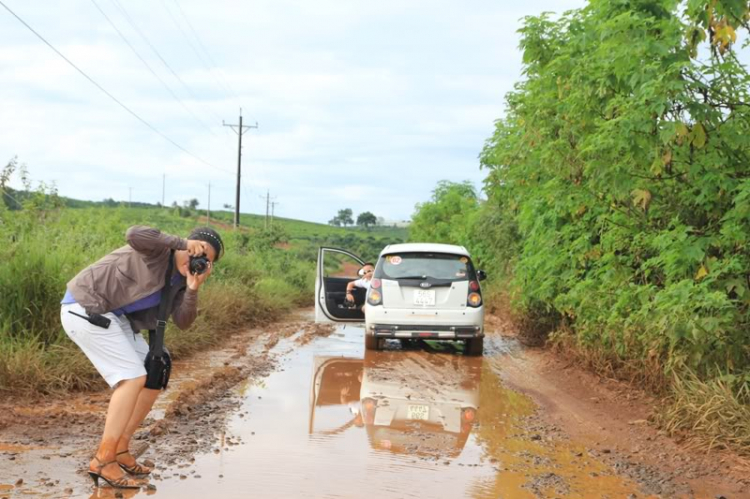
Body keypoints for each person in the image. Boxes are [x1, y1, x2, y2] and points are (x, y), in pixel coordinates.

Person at [59, 225, 223, 488]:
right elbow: (133, 234)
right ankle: (103, 460)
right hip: (86, 306)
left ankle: (121, 449)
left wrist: (193, 289)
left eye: (206, 261)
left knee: (156, 372)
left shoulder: (181, 282)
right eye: (197, 253)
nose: (197, 262)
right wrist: (181, 242)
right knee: (133, 378)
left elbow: (183, 321)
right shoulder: (159, 249)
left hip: (115, 318)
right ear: (188, 247)